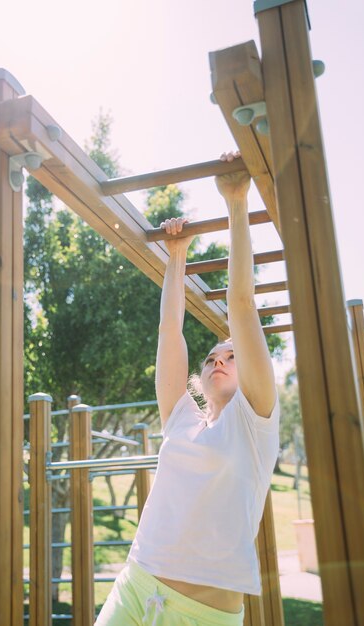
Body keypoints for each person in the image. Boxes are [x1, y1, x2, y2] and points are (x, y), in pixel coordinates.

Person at [95, 152, 280, 626]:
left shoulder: (254, 421)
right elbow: (168, 331)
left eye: (232, 355)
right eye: (212, 357)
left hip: (200, 615)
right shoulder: (187, 410)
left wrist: (236, 202)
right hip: (136, 585)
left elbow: (241, 304)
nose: (219, 360)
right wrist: (176, 257)